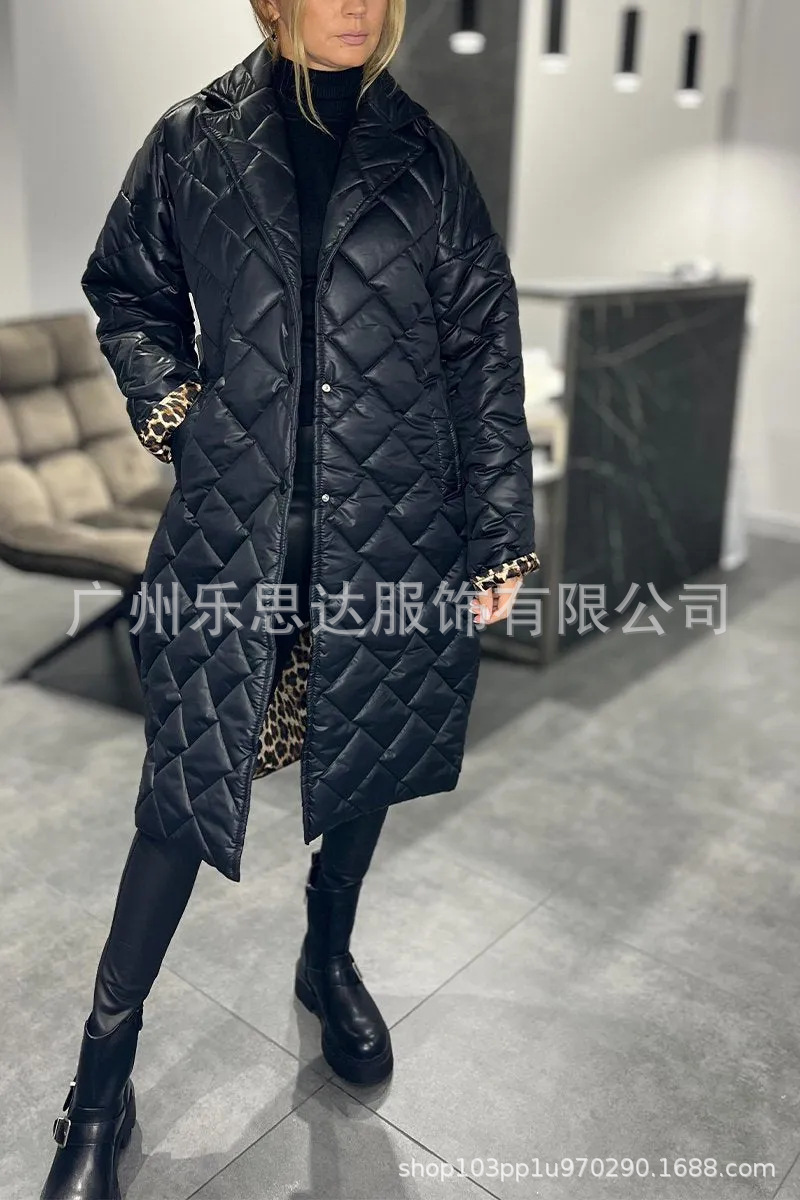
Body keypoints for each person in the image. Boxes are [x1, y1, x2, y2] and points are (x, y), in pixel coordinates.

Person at [39, 1, 539, 1196]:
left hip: (396, 529)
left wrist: (499, 533)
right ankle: (100, 1085)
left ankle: (327, 957)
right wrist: (179, 412)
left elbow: (481, 347)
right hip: (235, 528)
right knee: (179, 791)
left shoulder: (424, 155)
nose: (356, 4)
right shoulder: (194, 138)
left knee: (364, 753)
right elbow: (127, 288)